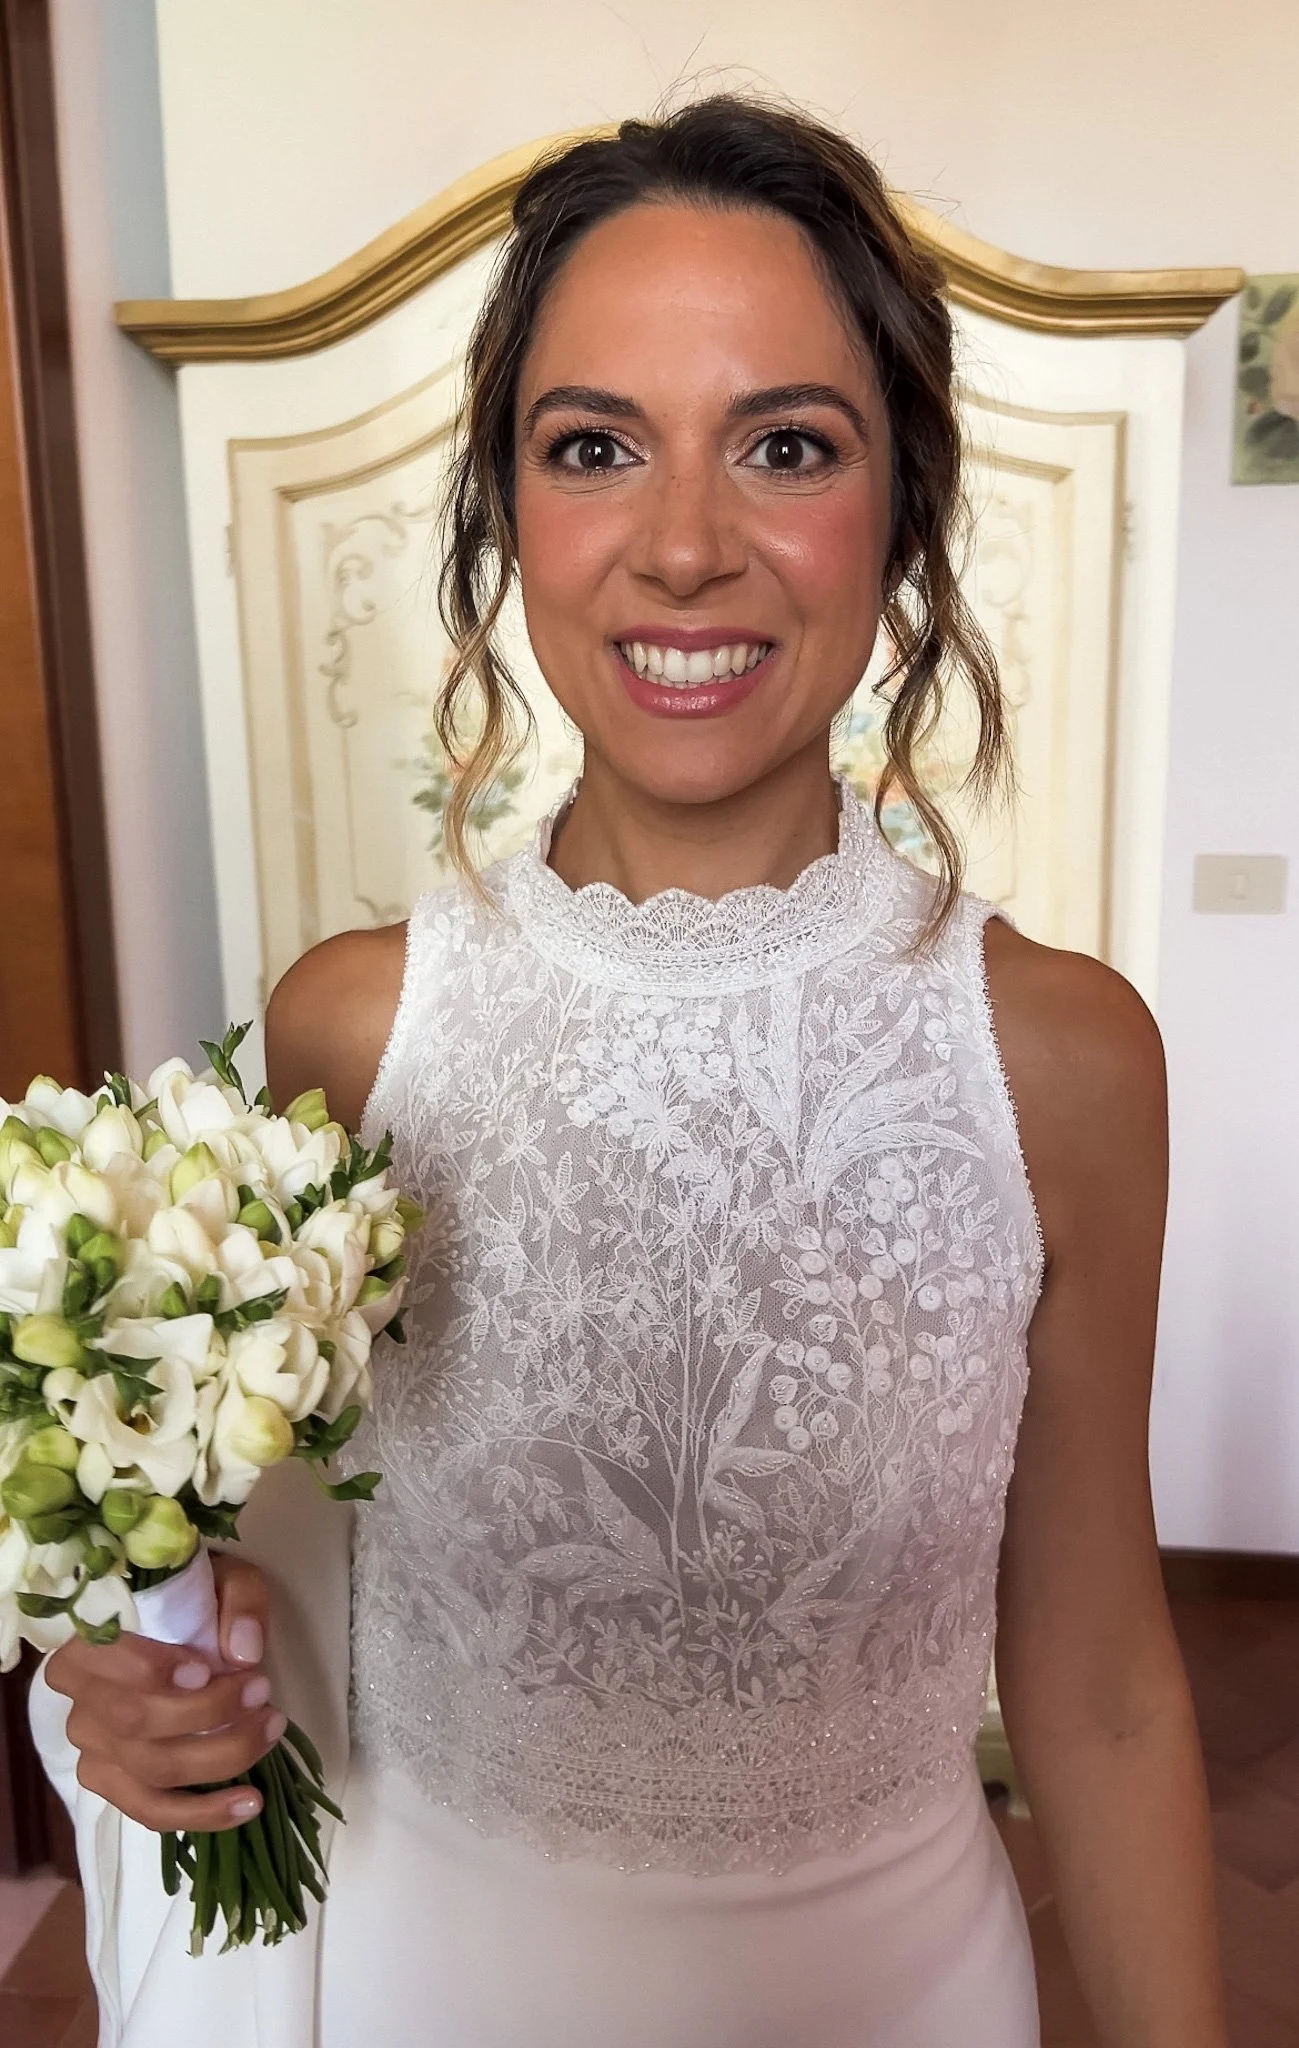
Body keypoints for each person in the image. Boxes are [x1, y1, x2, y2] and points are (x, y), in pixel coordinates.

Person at [42, 96, 1227, 2047]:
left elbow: (1097, 1685)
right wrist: (155, 1674)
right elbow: (269, 1592)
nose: (684, 545)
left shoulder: (1066, 1060)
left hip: (904, 1996)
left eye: (784, 445)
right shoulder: (346, 1030)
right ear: (510, 509)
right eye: (595, 446)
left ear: (903, 506)